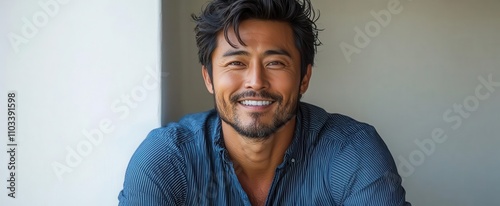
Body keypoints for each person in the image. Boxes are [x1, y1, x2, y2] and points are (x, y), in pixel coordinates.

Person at [118, 0, 411, 205]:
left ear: (304, 78)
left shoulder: (351, 152)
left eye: (275, 63)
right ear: (208, 78)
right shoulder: (168, 159)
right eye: (236, 63)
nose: (256, 81)